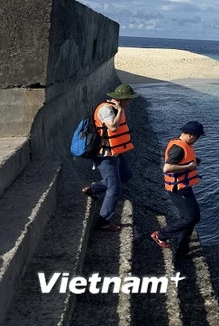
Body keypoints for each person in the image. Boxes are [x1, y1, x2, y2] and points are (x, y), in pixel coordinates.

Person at [82, 83, 138, 231]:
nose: (130, 102)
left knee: (125, 175)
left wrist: (120, 109)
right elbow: (112, 127)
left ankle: (93, 189)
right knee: (114, 187)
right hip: (104, 155)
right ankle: (103, 221)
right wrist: (120, 110)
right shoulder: (106, 109)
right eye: (128, 99)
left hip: (115, 152)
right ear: (121, 99)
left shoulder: (117, 108)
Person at [151, 121, 205, 260]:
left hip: (184, 188)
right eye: (197, 137)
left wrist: (192, 163)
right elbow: (167, 168)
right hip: (178, 189)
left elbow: (181, 162)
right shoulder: (179, 148)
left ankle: (182, 251)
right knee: (191, 218)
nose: (196, 140)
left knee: (191, 218)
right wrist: (189, 167)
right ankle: (161, 235)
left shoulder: (182, 145)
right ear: (190, 135)